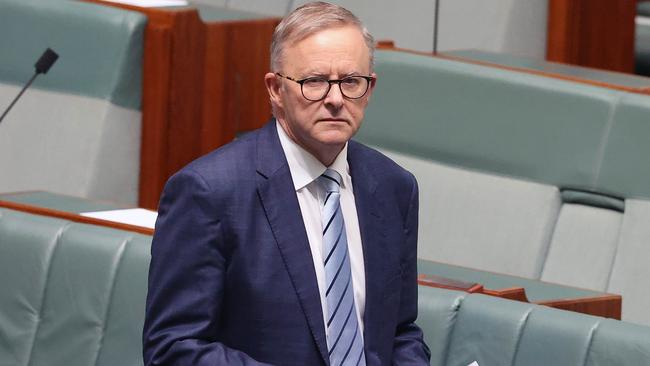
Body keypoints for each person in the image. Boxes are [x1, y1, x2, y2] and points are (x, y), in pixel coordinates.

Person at [143, 2, 430, 365]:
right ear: (275, 89)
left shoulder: (394, 188)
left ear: (370, 88)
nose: (336, 99)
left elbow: (401, 332)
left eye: (351, 81)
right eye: (314, 82)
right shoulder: (209, 192)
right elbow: (172, 348)